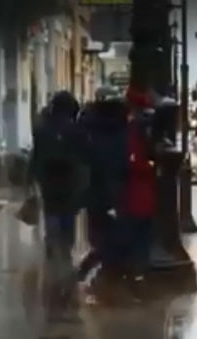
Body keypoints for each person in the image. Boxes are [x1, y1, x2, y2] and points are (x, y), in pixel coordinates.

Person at [77, 88, 130, 281]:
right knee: (116, 233)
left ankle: (99, 268)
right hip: (116, 188)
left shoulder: (87, 125)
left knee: (98, 233)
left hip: (95, 190)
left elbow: (83, 157)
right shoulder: (123, 125)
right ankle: (104, 269)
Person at [31, 91, 86, 263]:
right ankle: (65, 247)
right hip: (69, 182)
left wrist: (33, 178)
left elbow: (36, 156)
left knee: (51, 212)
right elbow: (83, 157)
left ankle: (53, 244)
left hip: (48, 181)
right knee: (67, 215)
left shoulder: (42, 129)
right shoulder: (76, 130)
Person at [120, 86, 157, 282]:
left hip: (134, 194)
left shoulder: (133, 129)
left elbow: (131, 161)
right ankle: (140, 270)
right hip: (143, 193)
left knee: (135, 234)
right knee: (143, 234)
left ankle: (136, 271)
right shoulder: (145, 127)